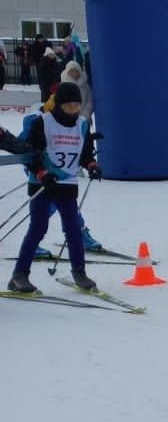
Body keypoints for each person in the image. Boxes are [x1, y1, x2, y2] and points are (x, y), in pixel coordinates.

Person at [5, 81, 101, 294]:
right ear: (59, 105)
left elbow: (84, 154)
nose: (73, 110)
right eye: (69, 106)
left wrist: (92, 165)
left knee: (74, 230)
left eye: (77, 105)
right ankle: (19, 276)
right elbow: (31, 154)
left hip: (67, 184)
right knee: (38, 229)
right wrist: (41, 172)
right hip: (43, 184)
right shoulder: (44, 122)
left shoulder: (82, 125)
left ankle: (79, 273)